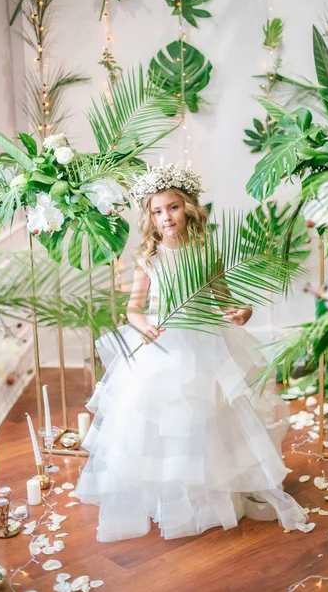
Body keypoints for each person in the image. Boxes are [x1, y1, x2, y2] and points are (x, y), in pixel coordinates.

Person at [75, 164, 308, 541]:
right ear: (149, 216)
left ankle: (211, 492)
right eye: (157, 210)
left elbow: (227, 302)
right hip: (162, 344)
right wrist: (143, 325)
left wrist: (243, 312)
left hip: (206, 343)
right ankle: (168, 494)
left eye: (173, 207)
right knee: (165, 423)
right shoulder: (148, 258)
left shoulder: (206, 251)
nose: (166, 217)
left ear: (189, 209)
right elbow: (133, 309)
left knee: (208, 420)